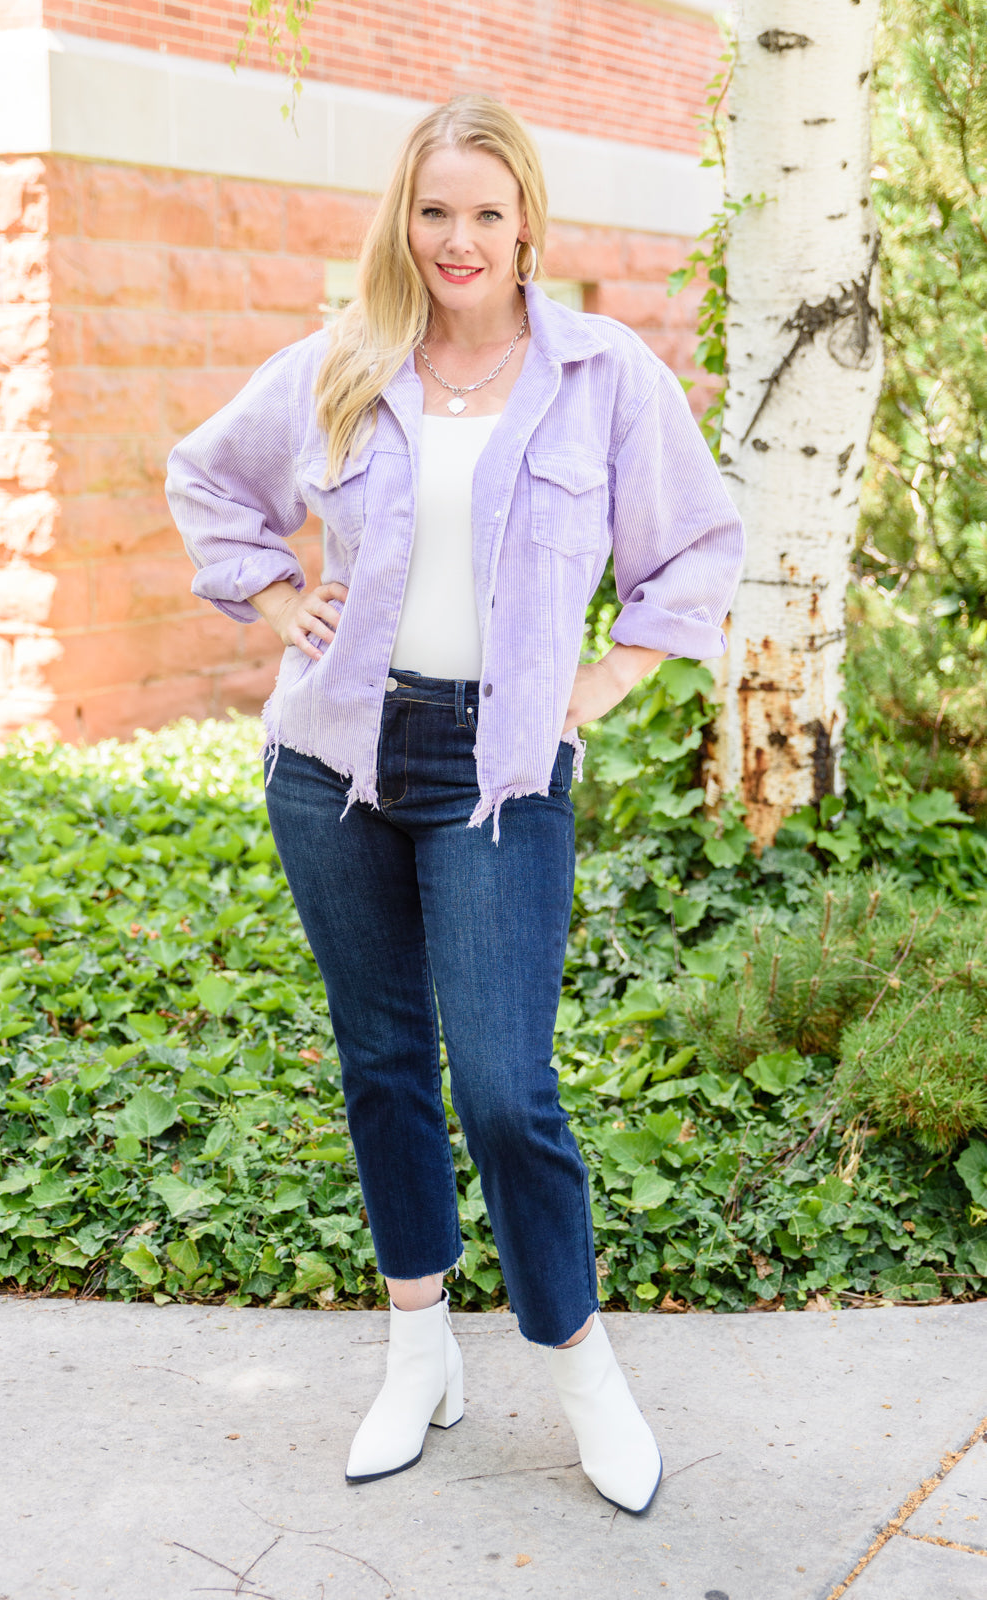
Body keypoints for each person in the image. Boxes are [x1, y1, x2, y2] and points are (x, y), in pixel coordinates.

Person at [166, 94, 744, 1517]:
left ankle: (580, 1361)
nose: (461, 239)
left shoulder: (606, 375)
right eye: (437, 212)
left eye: (489, 211)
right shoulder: (343, 364)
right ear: (403, 220)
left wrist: (604, 684)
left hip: (500, 774)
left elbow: (698, 546)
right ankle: (417, 1351)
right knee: (380, 1064)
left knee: (502, 1084)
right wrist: (281, 592)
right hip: (337, 764)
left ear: (530, 221)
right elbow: (207, 481)